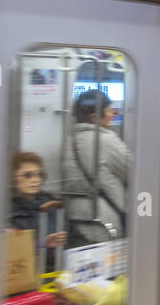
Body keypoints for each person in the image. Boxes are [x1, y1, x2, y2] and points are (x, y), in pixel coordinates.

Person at [62, 89, 131, 246]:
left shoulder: (70, 141)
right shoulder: (105, 140)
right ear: (94, 117)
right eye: (108, 110)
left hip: (76, 221)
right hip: (103, 222)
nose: (113, 114)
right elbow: (134, 172)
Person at [9, 151, 67, 272]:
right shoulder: (10, 211)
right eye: (27, 175)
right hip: (28, 274)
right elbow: (13, 251)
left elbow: (72, 234)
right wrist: (43, 244)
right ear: (14, 179)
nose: (35, 180)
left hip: (59, 268)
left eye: (38, 174)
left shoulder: (52, 203)